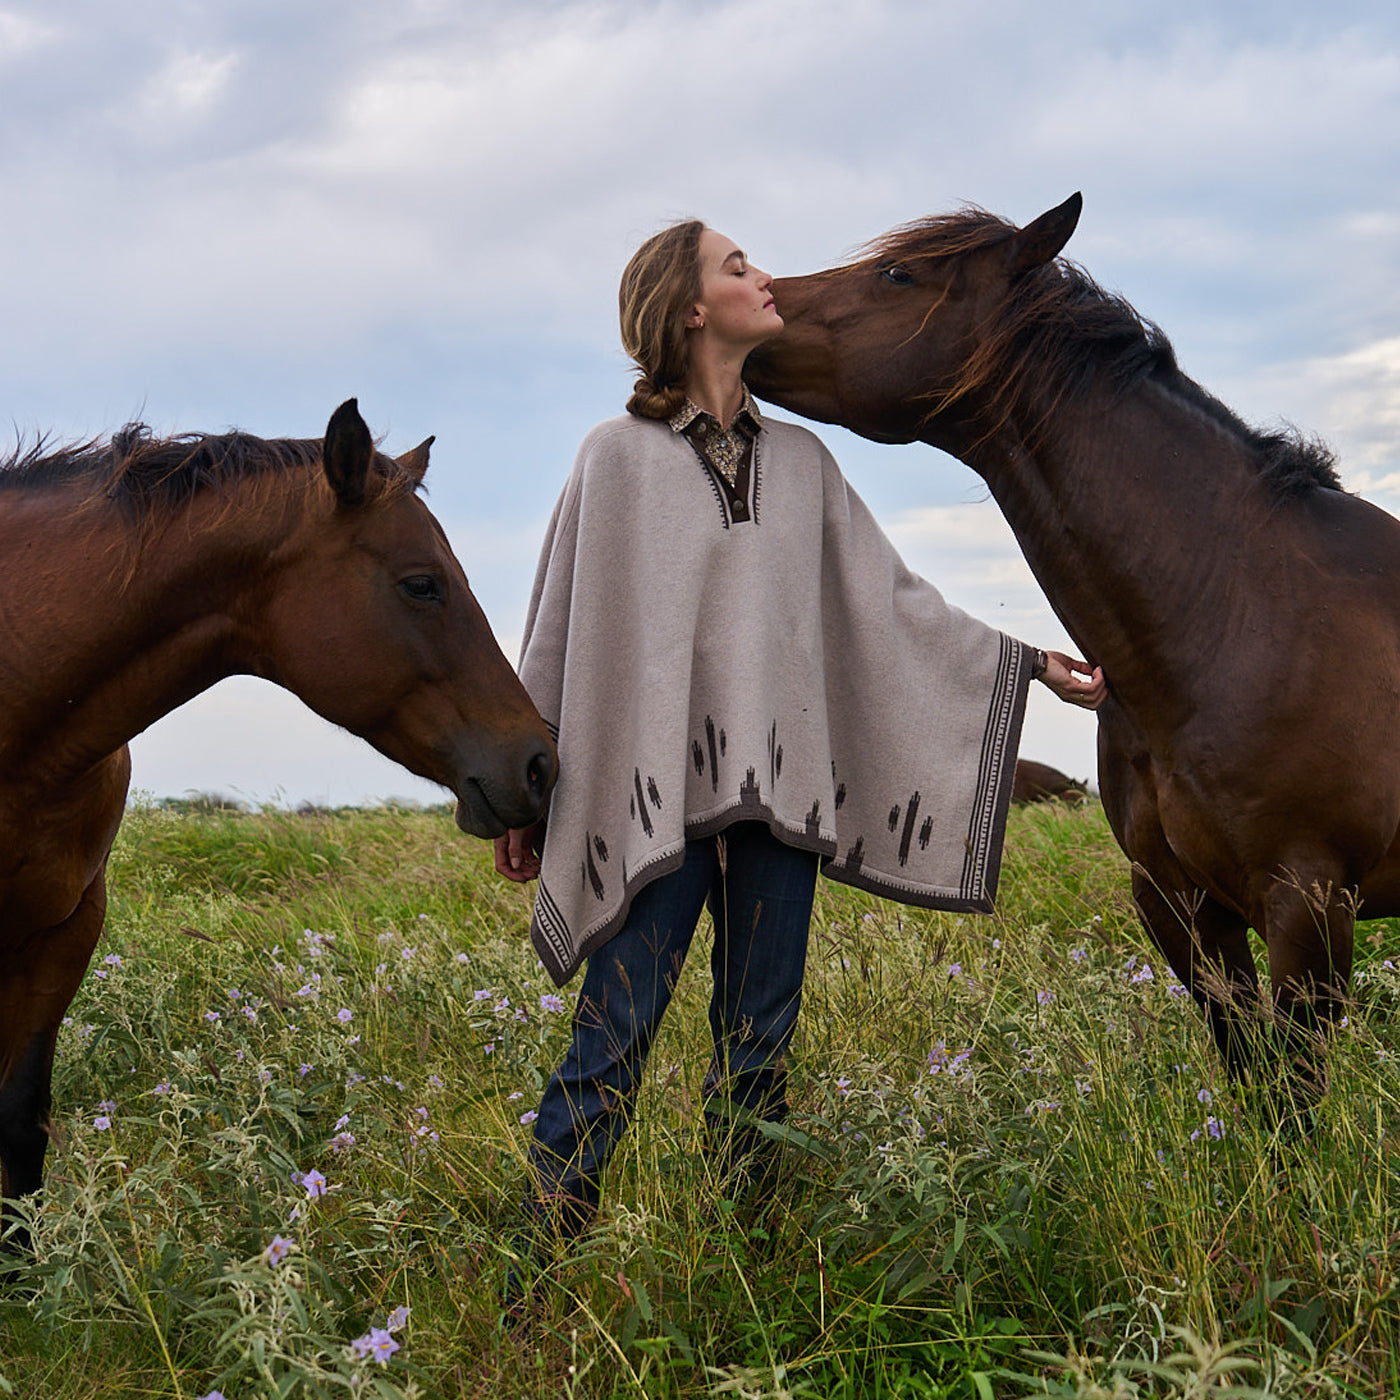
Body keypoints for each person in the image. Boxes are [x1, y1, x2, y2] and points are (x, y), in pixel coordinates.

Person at [494, 220, 1105, 1309]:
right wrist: (523, 788)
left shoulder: (805, 464)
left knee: (759, 1050)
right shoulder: (614, 458)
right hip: (655, 800)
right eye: (737, 267)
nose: (762, 276)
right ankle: (528, 1292)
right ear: (687, 310)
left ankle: (743, 1275)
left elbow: (893, 605)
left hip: (779, 803)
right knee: (610, 1041)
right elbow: (560, 625)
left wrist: (1030, 667)